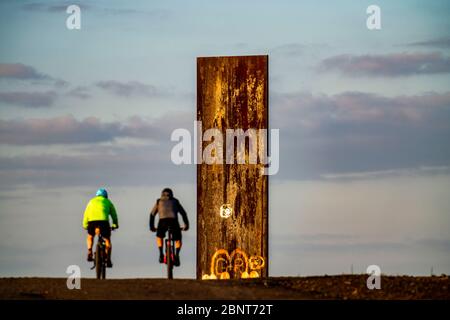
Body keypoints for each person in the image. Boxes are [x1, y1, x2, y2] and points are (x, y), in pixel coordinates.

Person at [149, 188, 189, 266]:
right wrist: (186, 225)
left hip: (162, 222)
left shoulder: (158, 201)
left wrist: (152, 227)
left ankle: (161, 254)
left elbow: (152, 215)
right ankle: (177, 255)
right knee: (178, 239)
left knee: (159, 236)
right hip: (173, 221)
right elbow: (183, 213)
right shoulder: (175, 201)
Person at [82, 188, 118, 268]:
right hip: (103, 222)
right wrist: (115, 224)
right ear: (106, 196)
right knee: (107, 239)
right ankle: (108, 259)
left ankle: (89, 251)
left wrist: (85, 225)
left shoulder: (91, 202)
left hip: (92, 222)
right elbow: (114, 215)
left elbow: (86, 215)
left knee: (90, 236)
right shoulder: (108, 202)